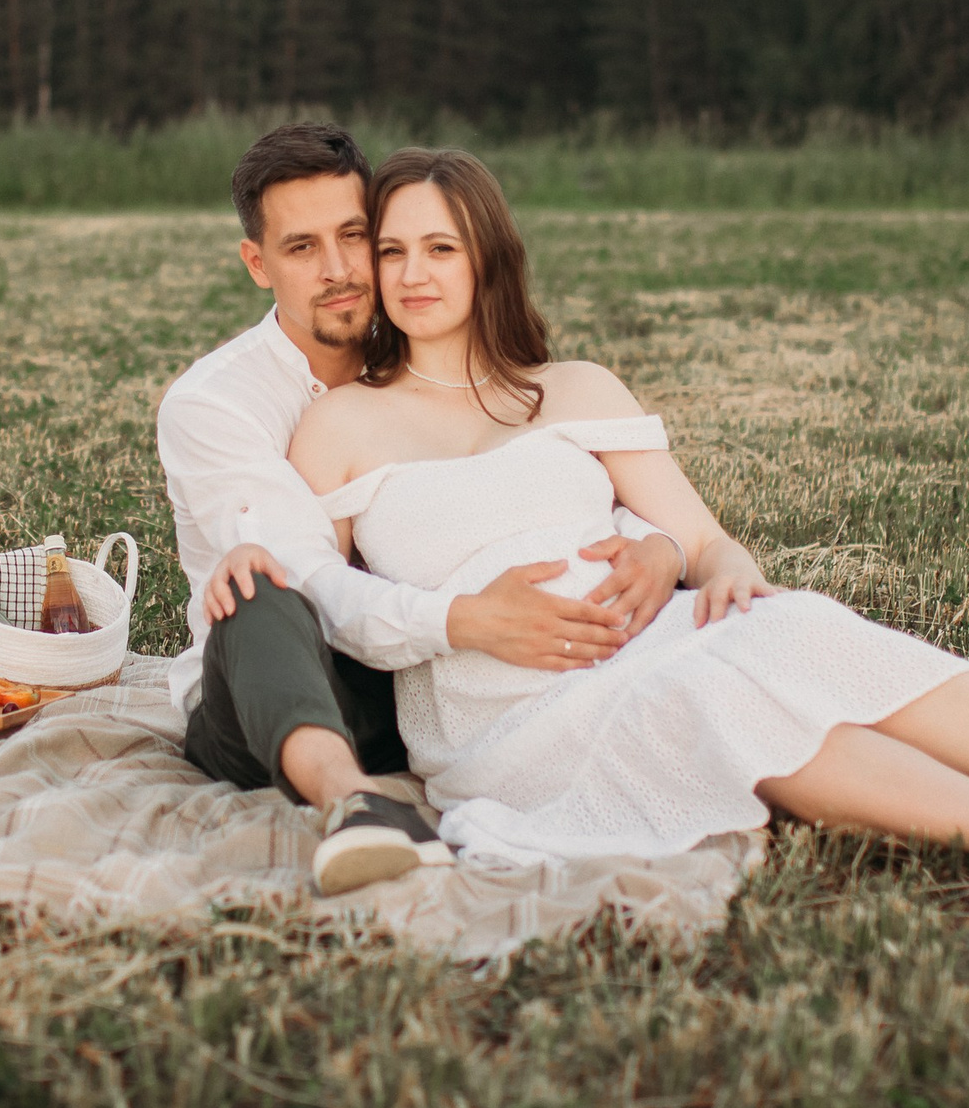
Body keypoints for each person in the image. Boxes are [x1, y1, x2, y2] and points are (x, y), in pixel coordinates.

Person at [265, 146, 969, 905]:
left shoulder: (569, 390)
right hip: (511, 711)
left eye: (440, 246)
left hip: (650, 634)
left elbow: (708, 545)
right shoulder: (342, 423)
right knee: (707, 688)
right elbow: (322, 599)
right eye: (391, 250)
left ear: (488, 256)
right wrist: (461, 621)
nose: (412, 271)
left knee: (791, 626)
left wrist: (688, 559)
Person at [157, 123, 694, 895]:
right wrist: (464, 618)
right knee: (259, 584)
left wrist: (654, 543)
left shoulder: (417, 344)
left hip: (411, 682)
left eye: (354, 236)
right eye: (302, 248)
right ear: (257, 263)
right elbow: (310, 578)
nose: (340, 270)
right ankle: (359, 807)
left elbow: (526, 476)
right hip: (275, 687)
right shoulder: (215, 404)